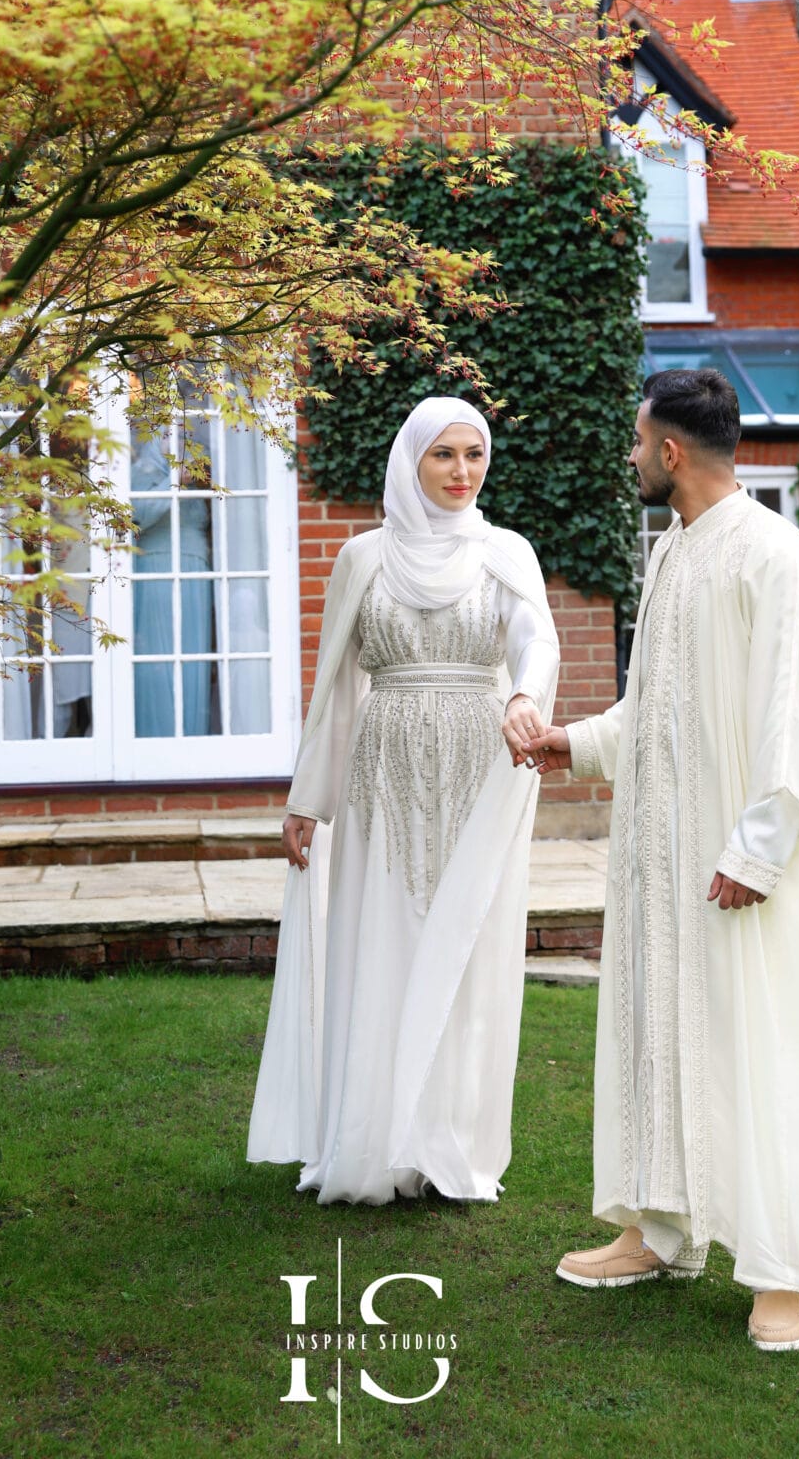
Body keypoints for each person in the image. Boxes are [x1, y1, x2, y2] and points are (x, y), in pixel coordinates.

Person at [523, 368, 799, 1352]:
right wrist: (568, 742)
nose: (628, 458)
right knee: (657, 1033)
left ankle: (781, 1274)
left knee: (760, 1047)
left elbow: (790, 721)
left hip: (742, 864)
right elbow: (652, 709)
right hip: (656, 860)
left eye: (634, 441)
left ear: (667, 450)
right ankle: (656, 1229)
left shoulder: (775, 560)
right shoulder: (668, 557)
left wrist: (756, 849)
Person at [248, 396, 560, 1204]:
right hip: (382, 774)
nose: (462, 472)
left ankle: (449, 1143)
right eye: (444, 456)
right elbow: (335, 694)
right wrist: (306, 799)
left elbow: (537, 638)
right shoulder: (361, 557)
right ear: (410, 460)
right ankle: (373, 1143)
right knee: (381, 936)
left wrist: (525, 695)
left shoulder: (506, 552)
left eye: (475, 455)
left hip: (475, 765)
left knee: (466, 945)